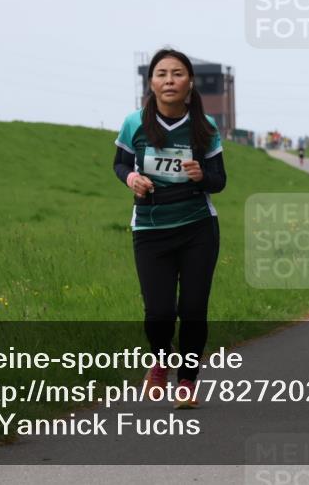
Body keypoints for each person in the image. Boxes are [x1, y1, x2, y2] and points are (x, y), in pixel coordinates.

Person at [113, 49, 226, 409]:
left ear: (190, 81)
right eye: (161, 74)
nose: (169, 80)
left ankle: (188, 382)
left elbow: (220, 180)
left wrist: (201, 176)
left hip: (197, 228)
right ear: (152, 83)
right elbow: (118, 163)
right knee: (158, 312)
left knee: (193, 308)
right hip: (149, 228)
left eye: (177, 74)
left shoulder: (205, 127)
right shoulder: (135, 123)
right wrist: (132, 177)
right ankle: (160, 360)